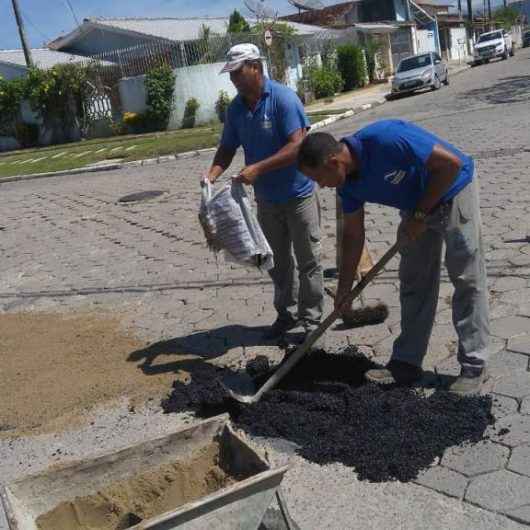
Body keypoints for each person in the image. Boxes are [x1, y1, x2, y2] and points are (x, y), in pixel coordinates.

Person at [297, 120, 490, 395]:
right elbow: (353, 236)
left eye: (319, 179)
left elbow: (450, 165)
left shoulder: (385, 139)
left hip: (452, 189)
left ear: (333, 161)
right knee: (414, 282)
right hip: (416, 208)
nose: (322, 187)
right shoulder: (347, 186)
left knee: (467, 279)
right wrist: (345, 291)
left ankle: (474, 366)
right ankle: (407, 363)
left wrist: (421, 215)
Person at [204, 43, 324, 342]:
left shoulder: (283, 99)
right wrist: (212, 174)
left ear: (255, 67)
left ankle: (312, 322)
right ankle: (287, 314)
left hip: (298, 194)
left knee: (308, 260)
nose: (233, 80)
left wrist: (258, 169)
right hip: (267, 201)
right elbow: (228, 147)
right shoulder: (236, 109)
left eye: (237, 73)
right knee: (277, 262)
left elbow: (298, 145)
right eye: (230, 74)